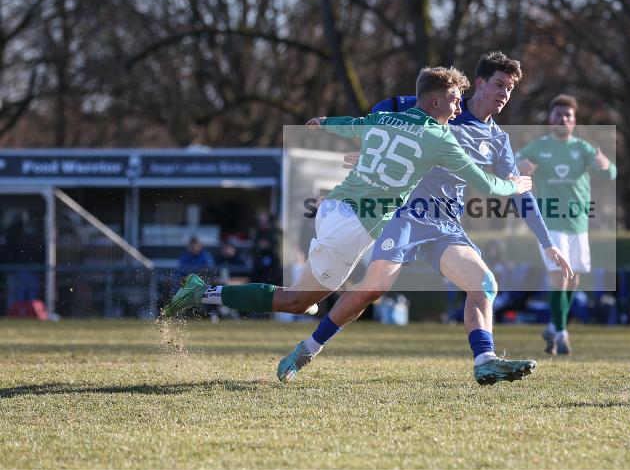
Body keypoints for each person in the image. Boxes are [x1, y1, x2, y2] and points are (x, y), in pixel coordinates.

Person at [162, 66, 533, 369]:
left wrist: (322, 121)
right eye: (454, 100)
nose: (458, 107)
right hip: (355, 225)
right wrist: (515, 184)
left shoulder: (386, 118)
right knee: (297, 302)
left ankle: (216, 296)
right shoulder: (441, 138)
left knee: (307, 300)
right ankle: (204, 292)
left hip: (333, 208)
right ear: (435, 100)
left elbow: (349, 124)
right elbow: (485, 183)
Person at [278, 51, 572, 386]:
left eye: (510, 88)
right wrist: (379, 151)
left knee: (484, 285)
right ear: (479, 83)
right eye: (499, 84)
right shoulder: (447, 108)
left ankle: (485, 360)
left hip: (445, 223)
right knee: (370, 291)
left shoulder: (498, 140)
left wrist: (548, 244)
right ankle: (307, 349)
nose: (504, 93)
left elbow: (519, 193)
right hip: (406, 213)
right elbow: (386, 109)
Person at [517, 94, 617, 354]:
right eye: (558, 114)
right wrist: (519, 164)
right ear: (550, 119)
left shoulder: (583, 148)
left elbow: (610, 172)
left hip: (579, 224)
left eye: (567, 115)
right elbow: (512, 161)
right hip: (550, 224)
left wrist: (607, 166)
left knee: (574, 279)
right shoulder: (538, 147)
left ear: (574, 121)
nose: (562, 119)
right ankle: (561, 333)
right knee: (559, 276)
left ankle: (553, 327)